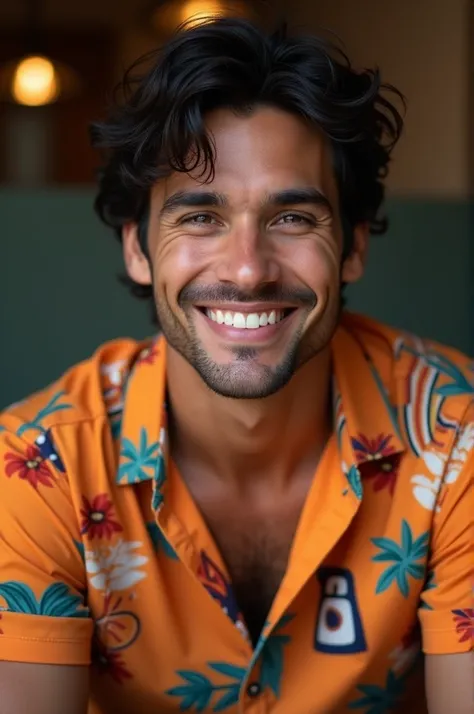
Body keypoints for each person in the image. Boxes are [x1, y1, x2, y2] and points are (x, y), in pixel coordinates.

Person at [0, 17, 472, 714]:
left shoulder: (457, 441)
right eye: (199, 218)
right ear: (137, 249)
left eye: (292, 219)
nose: (248, 270)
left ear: (352, 250)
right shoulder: (41, 468)